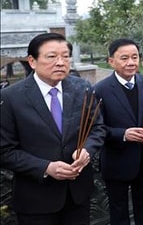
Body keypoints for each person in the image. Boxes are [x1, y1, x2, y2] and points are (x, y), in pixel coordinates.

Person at [0, 32, 106, 225]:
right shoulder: (10, 98)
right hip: (36, 198)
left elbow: (97, 128)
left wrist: (87, 151)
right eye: (51, 56)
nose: (60, 62)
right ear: (32, 61)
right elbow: (4, 151)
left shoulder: (82, 87)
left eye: (65, 56)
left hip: (78, 194)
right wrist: (46, 168)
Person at [95, 38, 143, 225]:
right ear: (111, 61)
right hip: (117, 160)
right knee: (118, 212)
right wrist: (123, 134)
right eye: (124, 58)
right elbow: (96, 128)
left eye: (134, 57)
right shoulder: (100, 90)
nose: (131, 62)